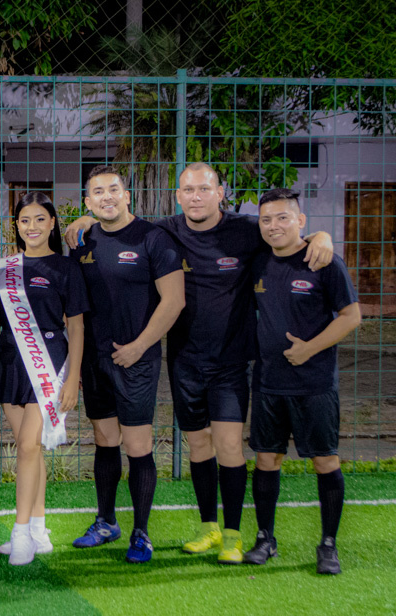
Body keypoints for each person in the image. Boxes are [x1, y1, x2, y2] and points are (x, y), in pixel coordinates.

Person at [64, 162, 333, 563]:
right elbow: (115, 224)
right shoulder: (163, 230)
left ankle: (229, 535)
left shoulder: (241, 231)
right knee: (192, 443)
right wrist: (87, 218)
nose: (196, 197)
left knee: (227, 445)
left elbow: (284, 233)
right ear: (178, 196)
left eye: (204, 189)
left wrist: (321, 236)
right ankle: (199, 526)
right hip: (182, 359)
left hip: (226, 359)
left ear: (220, 193)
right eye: (188, 190)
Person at [67, 165, 184, 563]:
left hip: (137, 360)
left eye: (113, 189)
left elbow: (174, 301)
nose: (107, 197)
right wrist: (77, 363)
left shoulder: (153, 238)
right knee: (104, 439)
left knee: (137, 445)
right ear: (88, 202)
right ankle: (106, 521)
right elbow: (75, 308)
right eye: (98, 192)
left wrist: (140, 346)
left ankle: (141, 532)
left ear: (127, 195)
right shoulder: (82, 241)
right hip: (95, 360)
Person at [246, 188, 360, 575]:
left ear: (301, 221)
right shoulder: (257, 261)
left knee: (325, 460)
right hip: (268, 381)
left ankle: (328, 544)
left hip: (314, 382)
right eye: (266, 219)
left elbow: (351, 316)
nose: (274, 226)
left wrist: (309, 349)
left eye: (283, 217)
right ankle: (265, 538)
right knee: (266, 459)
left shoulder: (324, 261)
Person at [0, 192, 87, 565]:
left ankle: (20, 533)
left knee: (29, 446)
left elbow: (76, 327)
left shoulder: (66, 267)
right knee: (29, 448)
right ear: (16, 225)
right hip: (11, 359)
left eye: (40, 219)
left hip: (49, 361)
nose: (32, 227)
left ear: (53, 223)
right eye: (25, 220)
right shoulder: (3, 267)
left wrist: (73, 377)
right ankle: (38, 531)